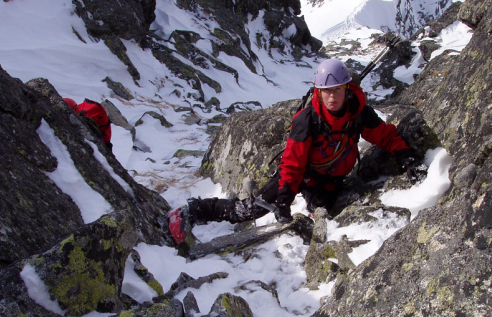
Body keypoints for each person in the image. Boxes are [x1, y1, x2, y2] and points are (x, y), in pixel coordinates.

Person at [167, 58, 425, 245]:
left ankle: (310, 205)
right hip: (302, 173)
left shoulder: (359, 113)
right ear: (318, 92)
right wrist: (283, 198)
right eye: (326, 91)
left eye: (337, 90)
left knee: (322, 211)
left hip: (329, 180)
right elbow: (293, 162)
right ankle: (194, 211)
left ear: (347, 89)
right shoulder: (307, 119)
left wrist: (406, 155)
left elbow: (385, 135)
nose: (332, 97)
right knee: (253, 209)